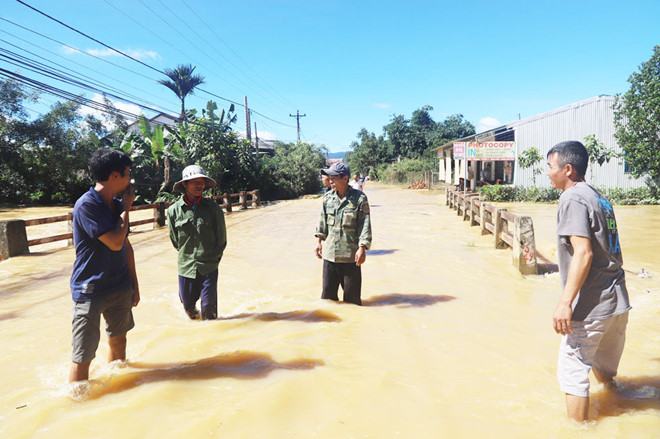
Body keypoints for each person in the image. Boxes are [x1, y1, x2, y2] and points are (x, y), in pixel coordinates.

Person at [546, 141, 631, 422]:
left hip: (592, 305)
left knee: (572, 370)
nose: (547, 173)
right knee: (604, 367)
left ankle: (579, 430)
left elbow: (583, 253)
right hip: (617, 302)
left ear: (567, 169)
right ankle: (617, 399)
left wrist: (565, 302)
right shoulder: (598, 196)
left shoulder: (571, 198)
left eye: (550, 166)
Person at [69, 148, 139, 383]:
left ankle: (116, 386)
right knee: (83, 354)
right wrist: (127, 209)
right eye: (127, 173)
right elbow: (115, 242)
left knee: (119, 340)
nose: (130, 179)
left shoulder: (115, 204)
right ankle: (75, 403)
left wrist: (134, 285)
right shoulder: (87, 205)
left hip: (119, 285)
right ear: (114, 176)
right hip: (91, 289)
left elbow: (127, 246)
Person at [167, 165, 227, 320]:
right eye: (194, 182)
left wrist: (214, 260)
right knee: (188, 306)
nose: (199, 185)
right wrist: (187, 255)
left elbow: (221, 240)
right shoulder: (173, 211)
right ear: (185, 185)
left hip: (209, 266)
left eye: (202, 182)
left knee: (209, 312)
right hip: (186, 266)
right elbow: (175, 240)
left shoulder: (213, 209)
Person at [315, 162, 372, 305]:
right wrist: (318, 242)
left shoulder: (359, 199)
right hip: (330, 257)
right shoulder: (327, 198)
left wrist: (362, 247)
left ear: (345, 178)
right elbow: (322, 222)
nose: (330, 180)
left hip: (350, 258)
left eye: (334, 177)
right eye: (329, 177)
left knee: (352, 303)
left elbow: (364, 224)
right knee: (327, 302)